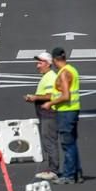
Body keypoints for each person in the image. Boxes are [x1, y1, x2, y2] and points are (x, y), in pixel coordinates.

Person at [47, 47, 81, 183]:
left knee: (67, 144)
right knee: (72, 143)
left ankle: (68, 175)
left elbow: (66, 95)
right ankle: (76, 173)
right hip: (73, 109)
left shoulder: (63, 73)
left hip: (66, 111)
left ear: (55, 60)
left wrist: (50, 103)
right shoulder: (72, 70)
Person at [25, 51, 60, 181]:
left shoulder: (50, 77)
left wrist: (34, 97)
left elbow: (51, 95)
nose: (37, 66)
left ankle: (53, 170)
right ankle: (51, 169)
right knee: (47, 142)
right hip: (45, 113)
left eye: (39, 63)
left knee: (49, 142)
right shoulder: (47, 76)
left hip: (49, 113)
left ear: (47, 64)